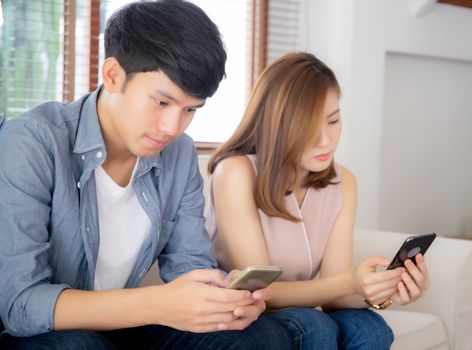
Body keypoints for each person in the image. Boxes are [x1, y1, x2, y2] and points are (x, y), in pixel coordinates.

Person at [0, 1, 294, 349]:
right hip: (44, 335)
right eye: (161, 102)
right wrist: (158, 304)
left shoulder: (179, 153)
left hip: (131, 326)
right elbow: (20, 304)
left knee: (263, 336)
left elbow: (189, 267)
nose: (172, 127)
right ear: (113, 75)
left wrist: (223, 304)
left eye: (189, 110)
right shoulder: (32, 141)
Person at [205, 52, 431, 349]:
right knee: (314, 325)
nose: (326, 140)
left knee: (370, 329)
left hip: (299, 313)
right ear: (277, 125)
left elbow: (337, 295)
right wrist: (348, 281)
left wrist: (382, 290)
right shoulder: (236, 173)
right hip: (246, 315)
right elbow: (259, 292)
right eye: (309, 128)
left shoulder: (343, 182)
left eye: (334, 121)